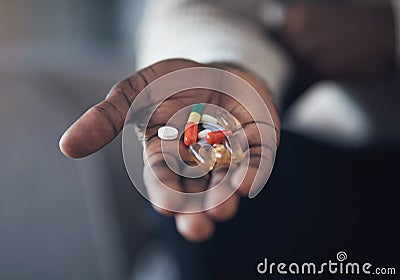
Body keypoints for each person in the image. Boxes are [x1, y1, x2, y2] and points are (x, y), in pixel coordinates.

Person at [60, 1, 400, 278]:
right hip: (314, 142)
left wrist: (391, 30)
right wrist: (222, 61)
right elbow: (206, 8)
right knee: (205, 202)